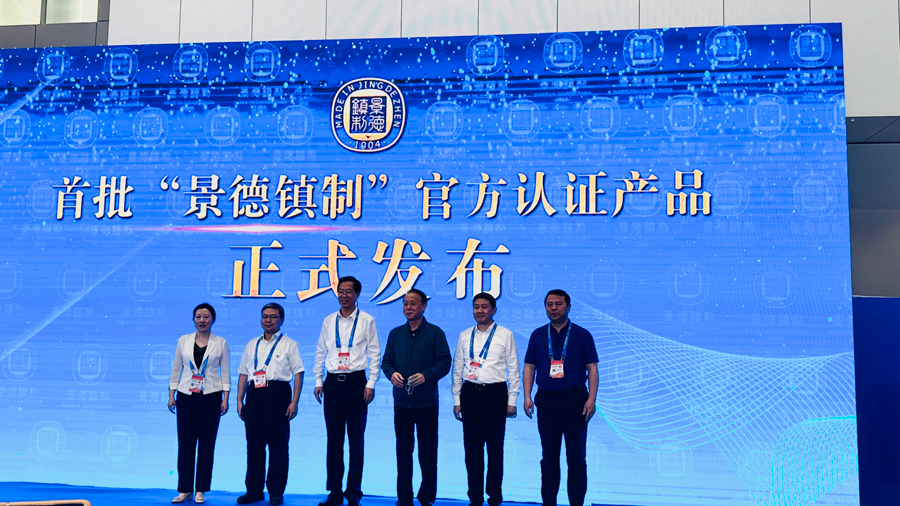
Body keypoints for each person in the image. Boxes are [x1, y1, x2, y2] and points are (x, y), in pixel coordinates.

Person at [522, 290, 599, 506]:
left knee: (576, 459)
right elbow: (529, 367)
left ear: (568, 307)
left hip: (576, 402)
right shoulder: (538, 335)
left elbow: (592, 369)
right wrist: (527, 396)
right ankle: (549, 502)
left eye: (558, 304)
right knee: (549, 458)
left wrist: (591, 400)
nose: (554, 308)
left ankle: (576, 502)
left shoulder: (583, 335)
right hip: (546, 402)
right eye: (549, 304)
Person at [314, 276, 381, 506]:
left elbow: (375, 353)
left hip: (356, 383)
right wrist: (318, 380)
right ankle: (334, 491)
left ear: (357, 294)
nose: (344, 295)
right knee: (334, 439)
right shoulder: (328, 320)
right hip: (332, 383)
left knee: (356, 439)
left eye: (348, 291)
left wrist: (371, 383)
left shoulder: (367, 320)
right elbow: (320, 352)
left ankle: (353, 491)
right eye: (341, 291)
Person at [381, 289, 451, 506]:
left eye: (413, 303)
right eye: (405, 304)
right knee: (403, 452)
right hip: (402, 402)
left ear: (423, 306)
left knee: (427, 452)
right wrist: (391, 373)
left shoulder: (435, 333)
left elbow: (445, 362)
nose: (408, 308)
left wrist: (426, 376)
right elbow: (386, 362)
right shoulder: (395, 334)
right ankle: (404, 497)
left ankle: (426, 497)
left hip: (427, 403)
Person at [451, 292, 520, 506]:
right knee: (472, 450)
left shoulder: (505, 334)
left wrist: (512, 400)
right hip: (470, 395)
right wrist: (457, 400)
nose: (479, 311)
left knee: (495, 449)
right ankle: (475, 497)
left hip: (495, 395)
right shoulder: (464, 335)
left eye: (484, 307)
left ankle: (494, 497)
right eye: (476, 307)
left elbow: (513, 368)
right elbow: (458, 368)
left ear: (494, 310)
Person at [236, 303, 305, 506]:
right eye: (265, 316)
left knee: (278, 445)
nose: (268, 320)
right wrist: (239, 400)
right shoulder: (251, 344)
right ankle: (254, 490)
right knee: (254, 445)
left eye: (273, 317)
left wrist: (295, 401)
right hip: (254, 395)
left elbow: (298, 373)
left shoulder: (289, 344)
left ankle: (276, 491)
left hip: (278, 394)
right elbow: (243, 374)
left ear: (281, 320)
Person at [168, 303, 230, 505]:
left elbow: (225, 372)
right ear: (193, 319)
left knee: (206, 444)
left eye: (206, 316)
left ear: (213, 319)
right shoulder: (183, 340)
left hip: (211, 395)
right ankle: (184, 489)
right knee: (185, 444)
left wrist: (226, 398)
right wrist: (171, 394)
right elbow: (176, 368)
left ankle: (201, 489)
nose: (202, 320)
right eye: (198, 316)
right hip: (186, 395)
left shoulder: (220, 342)